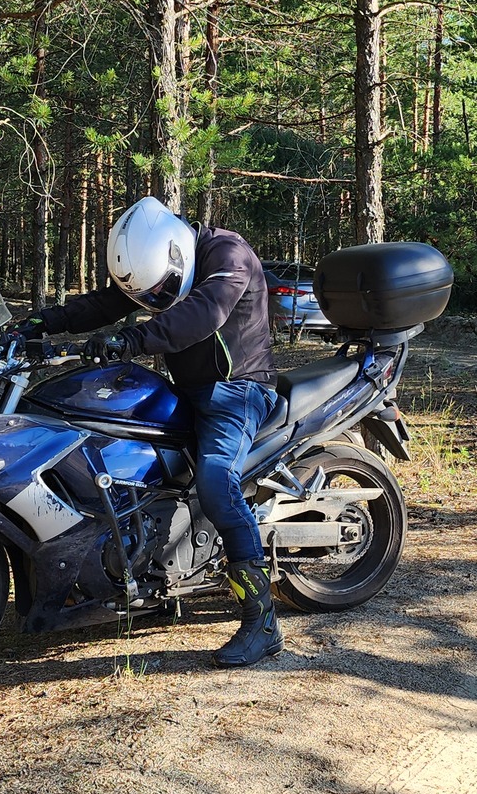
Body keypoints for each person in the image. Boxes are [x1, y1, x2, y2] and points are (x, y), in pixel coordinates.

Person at [19, 196, 284, 668]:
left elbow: (205, 312)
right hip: (188, 390)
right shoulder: (162, 266)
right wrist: (43, 323)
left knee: (217, 482)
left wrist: (133, 339)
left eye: (162, 288)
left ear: (176, 251)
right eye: (152, 292)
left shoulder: (229, 254)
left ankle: (262, 622)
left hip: (238, 390)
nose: (157, 296)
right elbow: (106, 302)